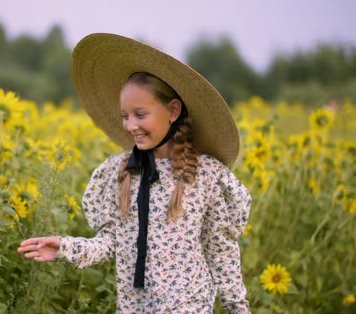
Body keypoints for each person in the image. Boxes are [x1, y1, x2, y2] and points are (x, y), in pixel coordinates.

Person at [18, 33, 252, 313]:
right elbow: (112, 243)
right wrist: (64, 247)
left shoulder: (207, 175)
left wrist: (238, 307)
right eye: (125, 116)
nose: (130, 126)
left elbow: (220, 251)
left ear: (173, 110)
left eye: (140, 115)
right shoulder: (119, 172)